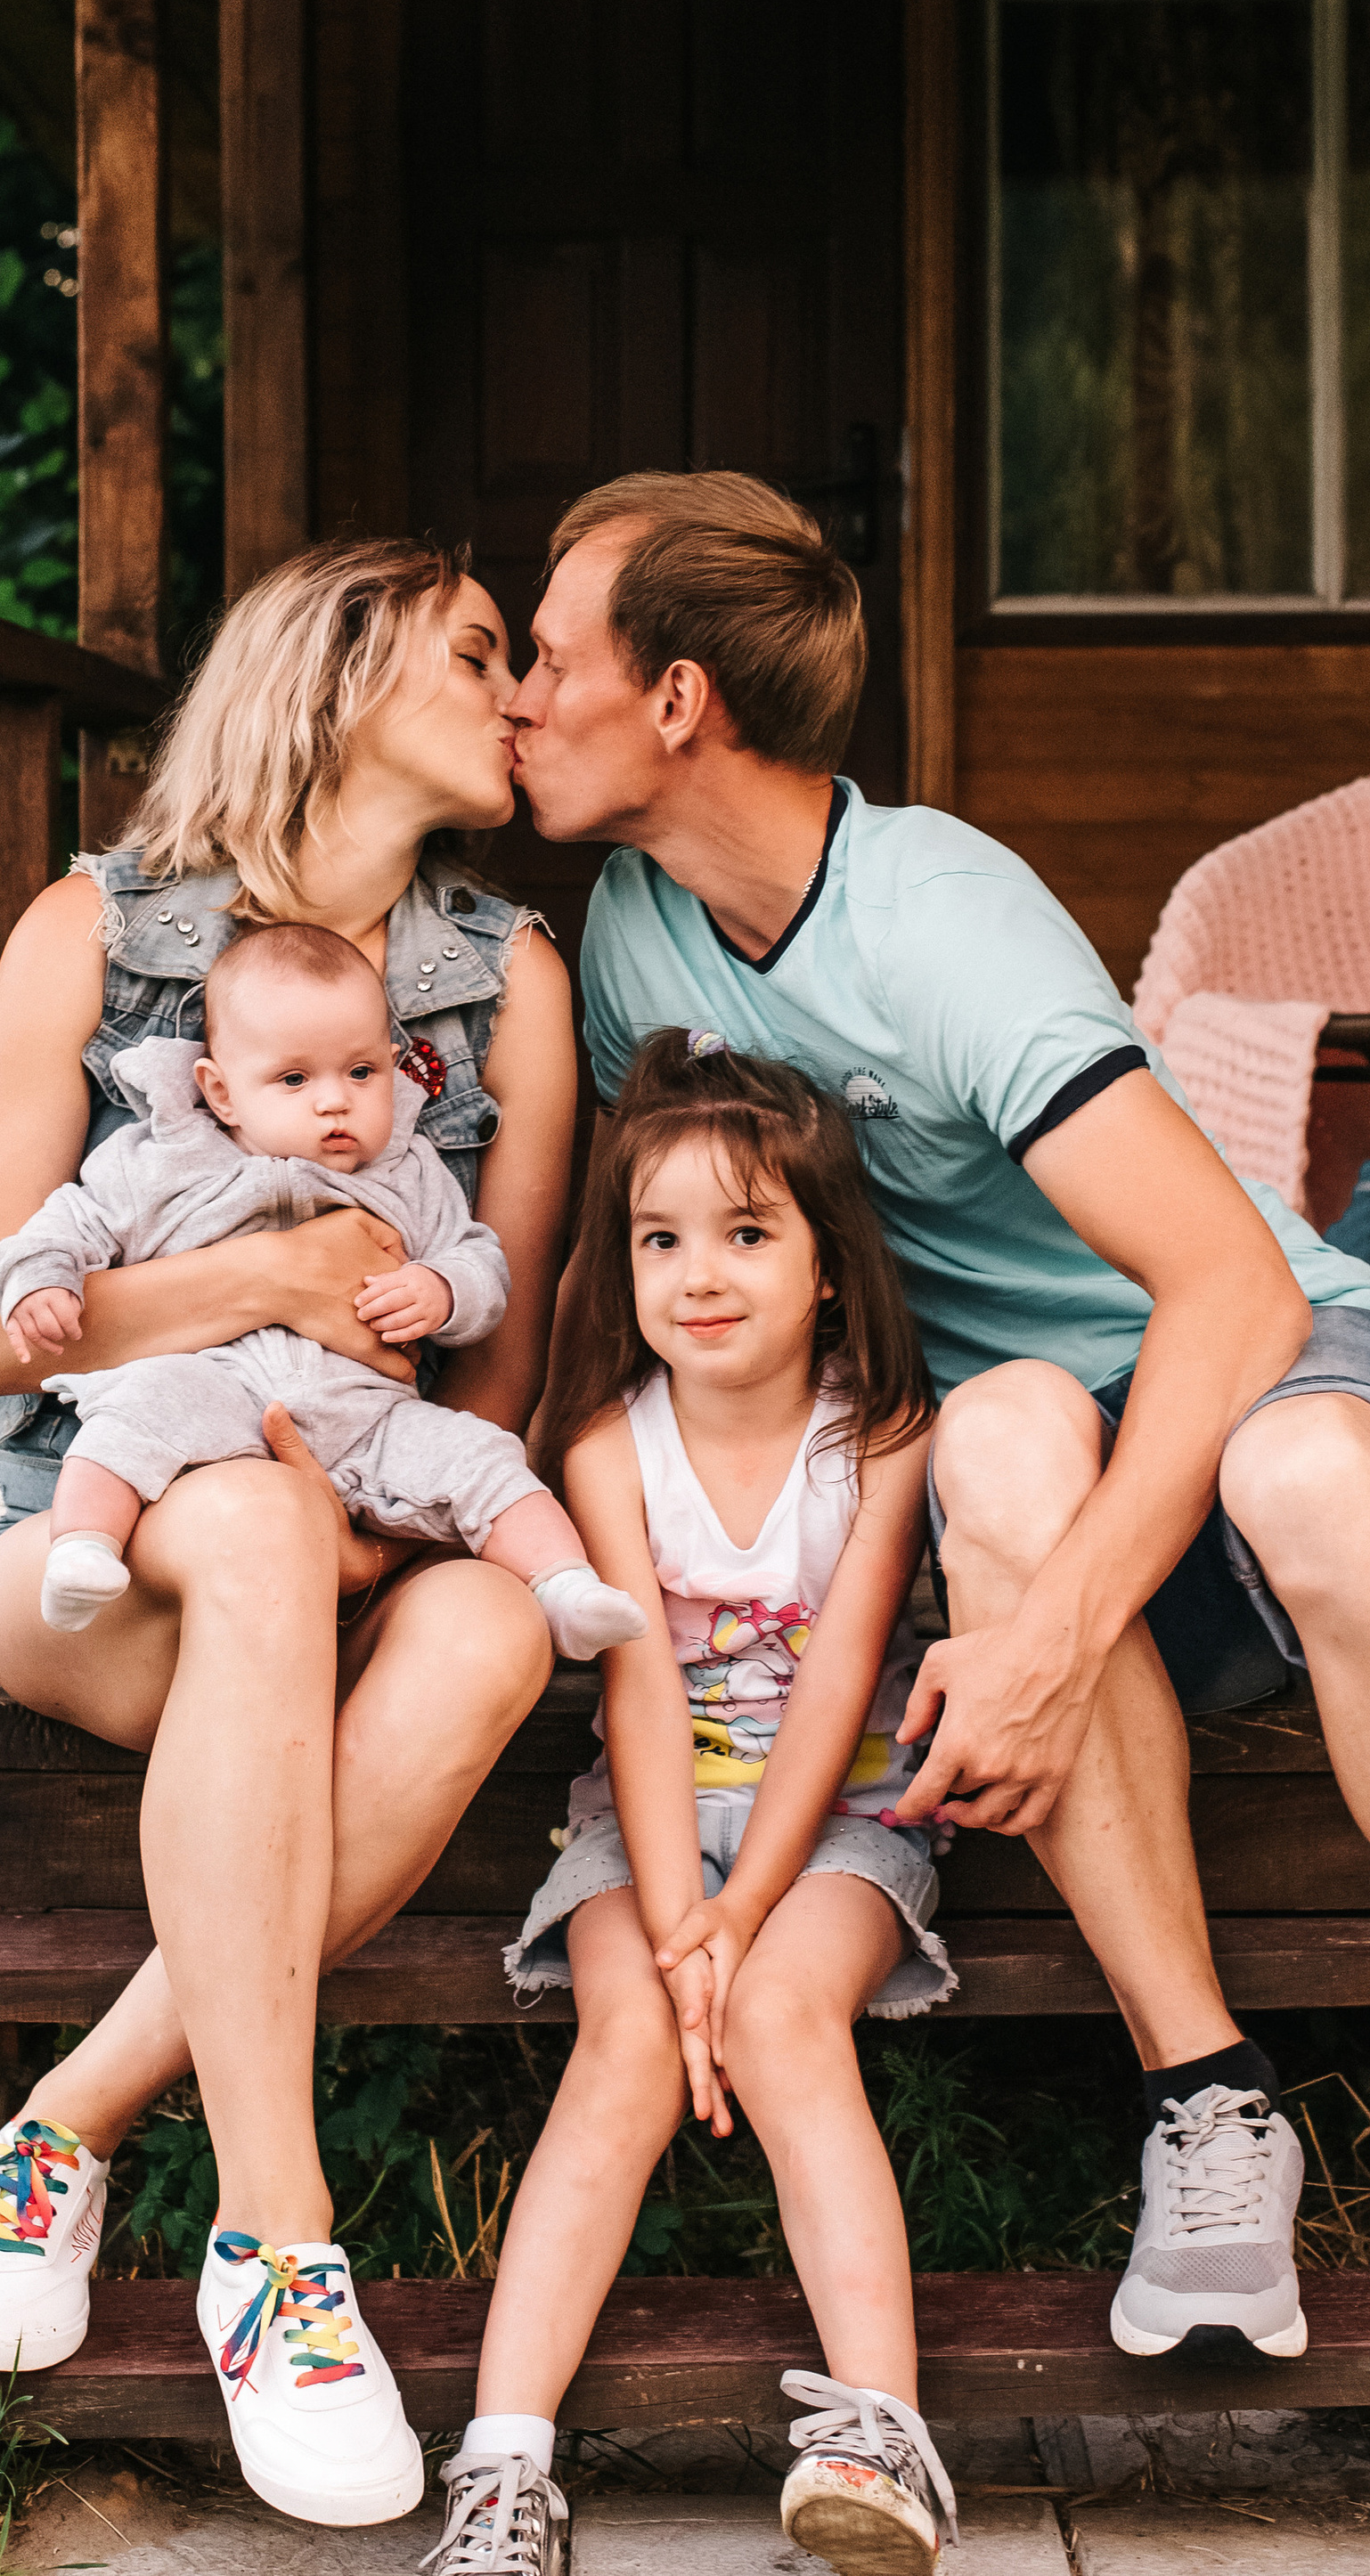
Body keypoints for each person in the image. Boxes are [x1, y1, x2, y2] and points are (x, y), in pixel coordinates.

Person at [507, 469, 1370, 2376]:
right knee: (999, 1432)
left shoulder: (939, 917)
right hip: (1046, 1454)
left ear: (677, 699)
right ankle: (1206, 2102)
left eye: (545, 654)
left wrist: (1045, 1643)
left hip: (1286, 1370)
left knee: (1301, 1476)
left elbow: (1232, 1293)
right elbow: (636, 1265)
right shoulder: (632, 933)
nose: (515, 696)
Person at [0, 539, 580, 2531]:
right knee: (267, 1536)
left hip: (371, 1518)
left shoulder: (509, 980)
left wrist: (379, 1524)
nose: (522, 693)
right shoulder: (92, 931)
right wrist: (265, 1282)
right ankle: (280, 2250)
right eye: (478, 654)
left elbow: (496, 1374)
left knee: (496, 1630)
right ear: (342, 673)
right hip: (85, 1531)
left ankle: (61, 2127)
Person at [431, 1031, 957, 2576]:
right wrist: (680, 1930)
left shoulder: (884, 1436)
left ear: (829, 1265)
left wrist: (742, 1920)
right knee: (626, 2042)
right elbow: (641, 1689)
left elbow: (841, 1681)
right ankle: (503, 2470)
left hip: (842, 1811)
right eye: (660, 1238)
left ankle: (880, 2437)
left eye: (745, 1232)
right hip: (644, 1819)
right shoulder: (608, 1441)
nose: (698, 1273)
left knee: (784, 2017)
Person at [0, 921, 641, 1659]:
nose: (335, 1101)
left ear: (392, 1067)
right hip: (211, 1385)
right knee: (130, 1420)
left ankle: (565, 1587)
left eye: (360, 1072)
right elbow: (69, 1221)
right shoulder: (161, 1160)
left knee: (483, 1456)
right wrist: (42, 1278)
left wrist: (441, 1288)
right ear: (221, 1092)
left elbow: (480, 1262)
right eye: (295, 1080)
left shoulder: (408, 1170)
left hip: (365, 1411)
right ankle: (82, 1551)